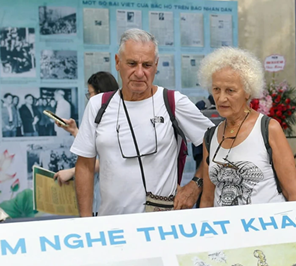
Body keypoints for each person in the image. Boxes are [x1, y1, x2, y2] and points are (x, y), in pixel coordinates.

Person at [71, 29, 212, 216]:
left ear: (156, 65)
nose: (139, 73)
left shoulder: (172, 102)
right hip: (111, 225)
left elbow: (217, 142)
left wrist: (196, 185)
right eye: (132, 64)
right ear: (117, 63)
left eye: (146, 65)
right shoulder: (98, 105)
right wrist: (86, 221)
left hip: (163, 226)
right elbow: (85, 165)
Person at [197, 48, 296, 207]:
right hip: (227, 230)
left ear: (247, 92)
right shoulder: (211, 137)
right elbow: (208, 198)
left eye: (230, 90)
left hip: (267, 228)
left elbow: (293, 194)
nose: (221, 98)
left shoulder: (268, 129)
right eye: (216, 89)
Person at [54, 72, 119, 215]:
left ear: (100, 93)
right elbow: (94, 148)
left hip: (115, 202)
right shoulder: (99, 116)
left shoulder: (118, 120)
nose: (89, 99)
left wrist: (72, 171)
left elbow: (111, 161)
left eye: (90, 94)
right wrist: (74, 131)